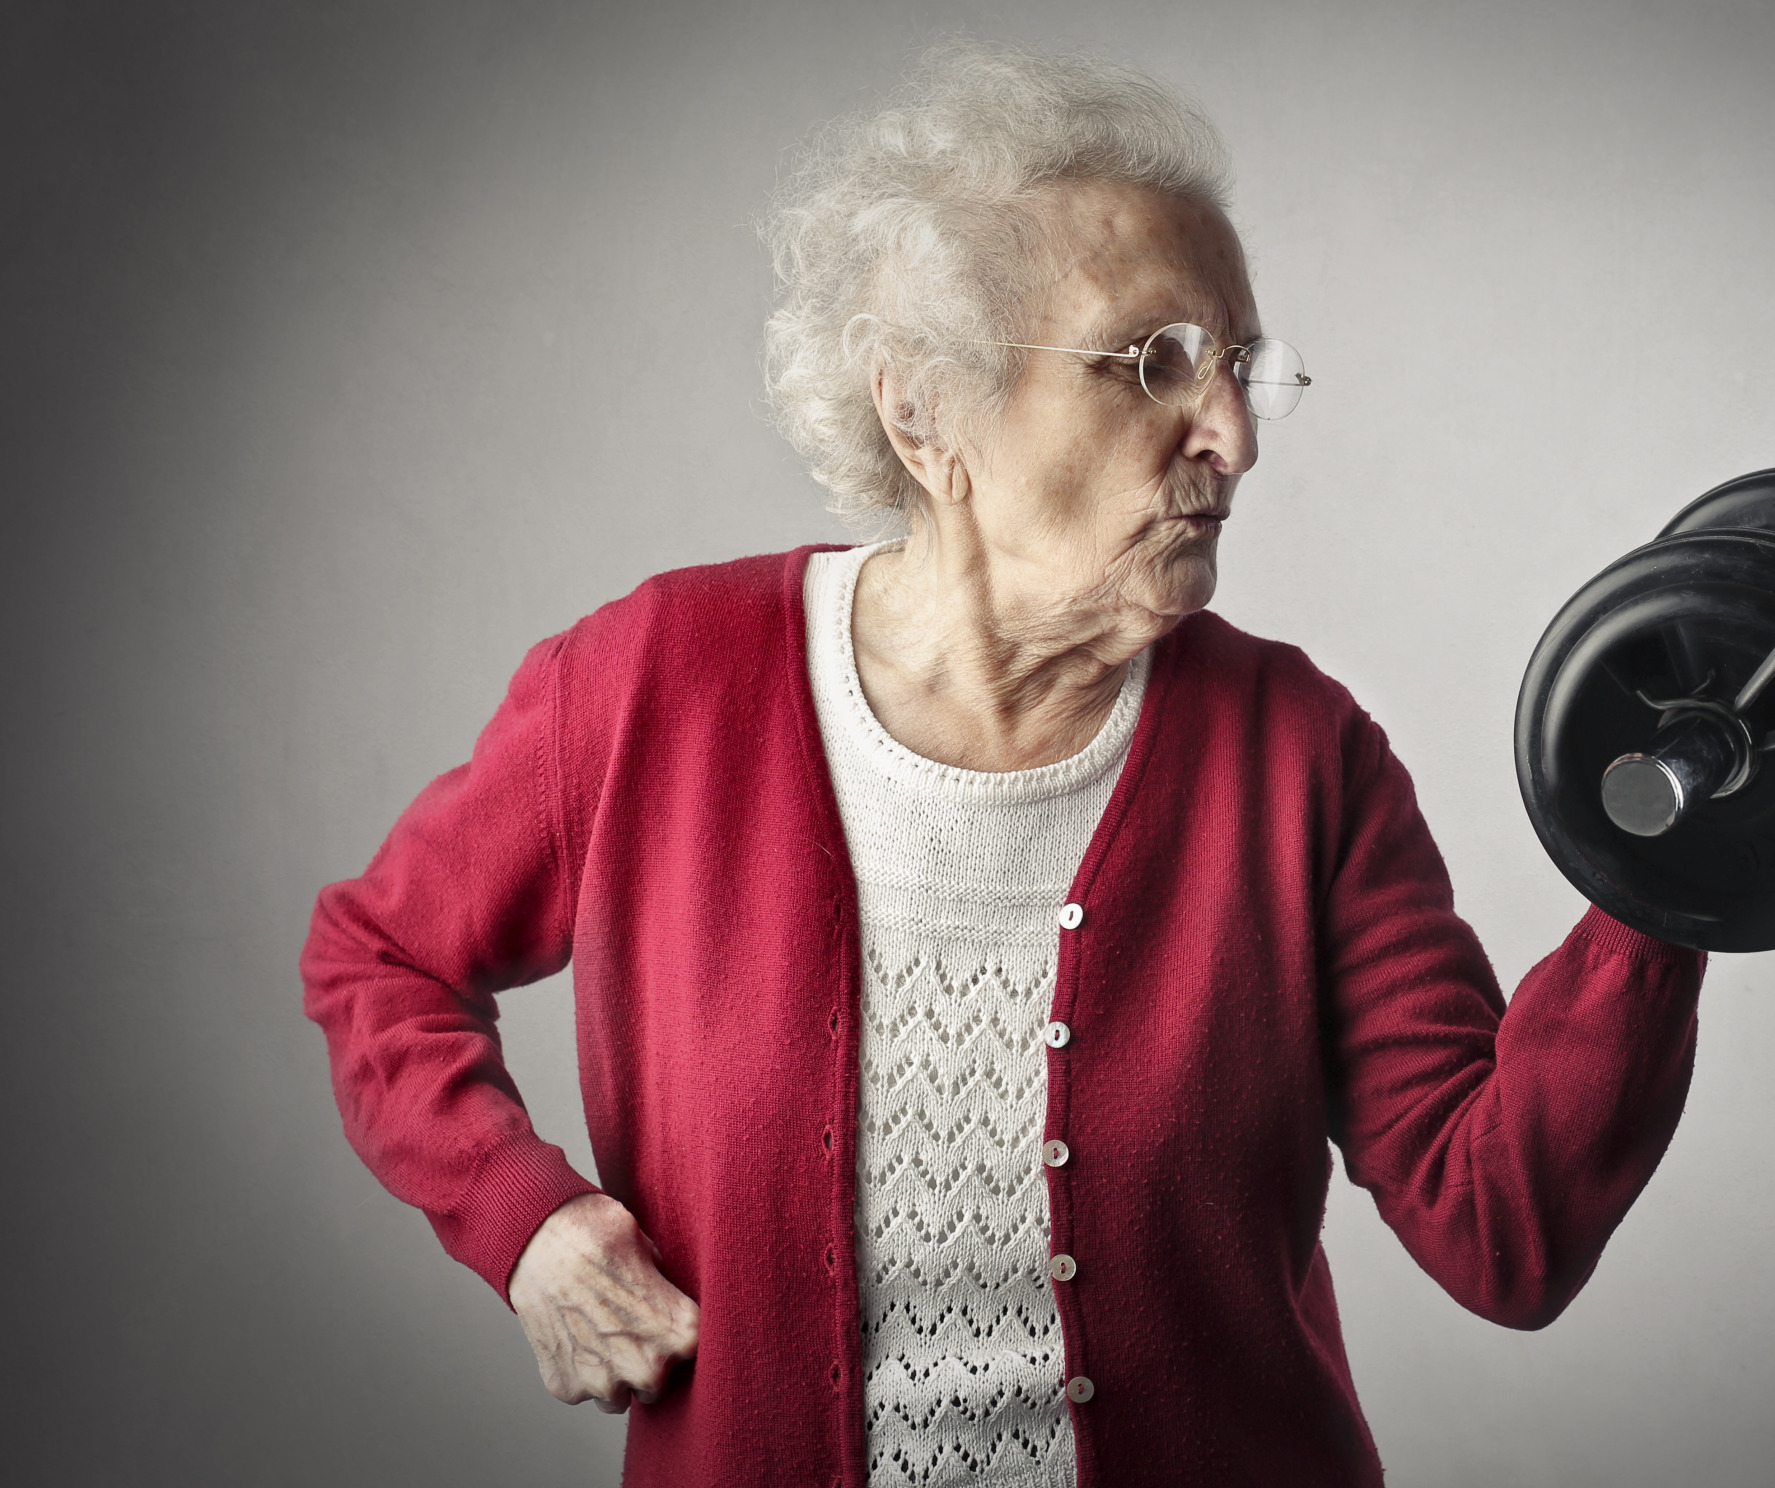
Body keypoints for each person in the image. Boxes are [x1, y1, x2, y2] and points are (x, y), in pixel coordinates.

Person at [302, 42, 1704, 1488]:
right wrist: (522, 1219)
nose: (1227, 435)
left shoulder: (1300, 755)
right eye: (1152, 362)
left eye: (1237, 368)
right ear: (924, 412)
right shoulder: (652, 684)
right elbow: (377, 957)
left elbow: (1501, 1231)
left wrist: (1672, 886)